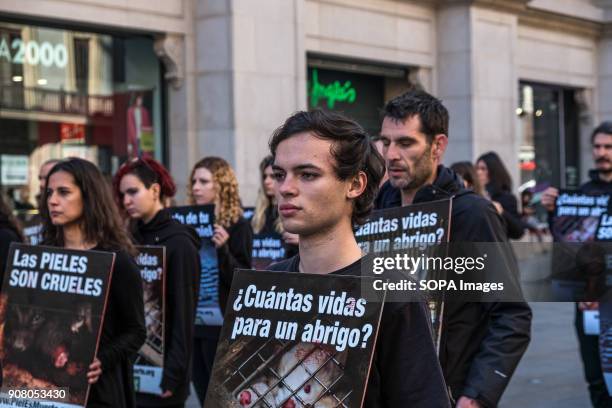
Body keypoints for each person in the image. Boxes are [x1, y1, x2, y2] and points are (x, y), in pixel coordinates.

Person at [268, 109, 450, 407]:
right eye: (279, 174)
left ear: (354, 185)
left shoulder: (394, 294)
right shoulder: (269, 284)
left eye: (308, 174)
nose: (285, 188)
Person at [376, 89, 532, 407]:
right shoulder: (378, 209)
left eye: (405, 143)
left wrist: (475, 396)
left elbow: (510, 314)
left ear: (438, 146)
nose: (391, 154)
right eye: (386, 141)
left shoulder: (471, 213)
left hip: (446, 389)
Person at [40, 158, 146, 408]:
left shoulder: (117, 261)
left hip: (100, 393)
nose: (53, 200)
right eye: (49, 193)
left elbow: (136, 331)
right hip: (47, 390)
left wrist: (102, 359)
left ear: (88, 197)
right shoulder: (42, 256)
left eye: (64, 192)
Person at [114, 158, 200, 408]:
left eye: (133, 191)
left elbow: (184, 314)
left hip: (166, 373)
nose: (126, 200)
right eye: (122, 194)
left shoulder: (180, 242)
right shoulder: (128, 238)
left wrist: (173, 375)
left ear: (154, 190)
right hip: (132, 365)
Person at [541, 121, 612, 408]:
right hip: (588, 302)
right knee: (595, 375)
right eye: (597, 146)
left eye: (608, 147)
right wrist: (552, 212)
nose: (602, 152)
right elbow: (568, 245)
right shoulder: (580, 194)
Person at [187, 156, 253, 404]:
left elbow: (244, 280)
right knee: (202, 391)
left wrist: (224, 250)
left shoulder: (238, 226)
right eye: (194, 181)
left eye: (204, 181)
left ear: (221, 186)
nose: (196, 187)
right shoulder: (189, 225)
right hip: (195, 323)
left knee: (221, 397)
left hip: (224, 327)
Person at [251, 155, 298, 258]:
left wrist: (302, 242)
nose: (266, 182)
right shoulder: (257, 215)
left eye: (273, 176)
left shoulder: (293, 209)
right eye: (264, 177)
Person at [476, 152, 525, 240]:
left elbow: (518, 231)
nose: (478, 172)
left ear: (493, 171)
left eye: (483, 169)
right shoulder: (473, 195)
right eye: (477, 168)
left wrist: (501, 212)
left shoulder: (505, 198)